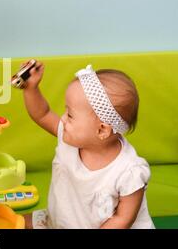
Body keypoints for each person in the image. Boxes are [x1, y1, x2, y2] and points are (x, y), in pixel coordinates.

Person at [21, 61, 154, 229]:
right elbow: (43, 114)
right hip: (62, 220)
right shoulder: (70, 137)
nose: (63, 119)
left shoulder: (128, 172)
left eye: (70, 115)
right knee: (13, 221)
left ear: (101, 130)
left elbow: (123, 219)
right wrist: (31, 88)